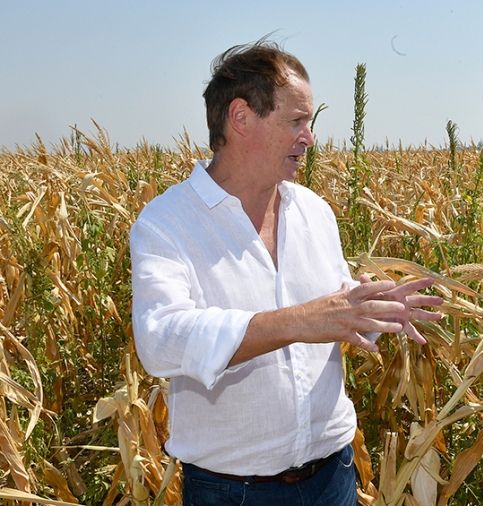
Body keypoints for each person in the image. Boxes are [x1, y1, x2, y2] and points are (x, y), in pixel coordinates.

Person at [130, 41, 442, 505]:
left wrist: (370, 310)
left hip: (333, 474)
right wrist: (302, 320)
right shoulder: (166, 223)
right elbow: (160, 340)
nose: (309, 137)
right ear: (240, 118)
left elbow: (334, 311)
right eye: (296, 121)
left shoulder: (313, 211)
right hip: (232, 490)